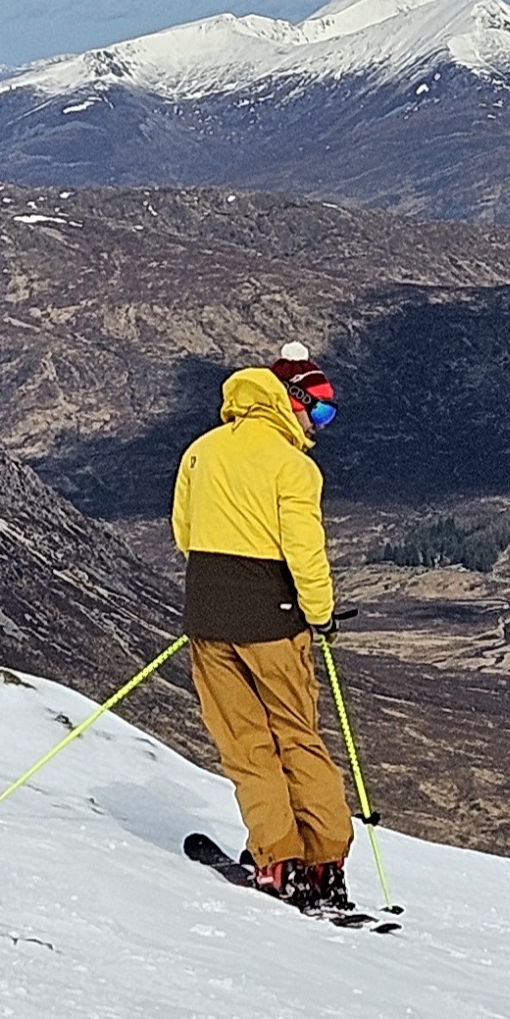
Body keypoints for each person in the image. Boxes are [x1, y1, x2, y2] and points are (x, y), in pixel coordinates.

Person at [171, 341, 354, 910]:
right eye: (318, 409)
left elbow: (184, 533)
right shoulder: (292, 466)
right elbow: (306, 553)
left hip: (208, 619)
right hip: (276, 623)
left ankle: (277, 860)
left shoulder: (199, 452)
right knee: (298, 738)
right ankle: (323, 862)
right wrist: (320, 615)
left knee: (246, 745)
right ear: (291, 402)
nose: (320, 423)